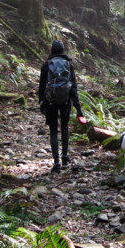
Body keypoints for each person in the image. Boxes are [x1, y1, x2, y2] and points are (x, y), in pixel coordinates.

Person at [38, 39, 84, 173]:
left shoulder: (46, 64)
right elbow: (73, 87)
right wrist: (78, 108)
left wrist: (41, 102)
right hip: (65, 100)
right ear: (63, 50)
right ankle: (64, 157)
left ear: (52, 50)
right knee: (64, 127)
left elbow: (41, 87)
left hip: (50, 101)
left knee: (53, 130)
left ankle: (56, 163)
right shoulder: (68, 64)